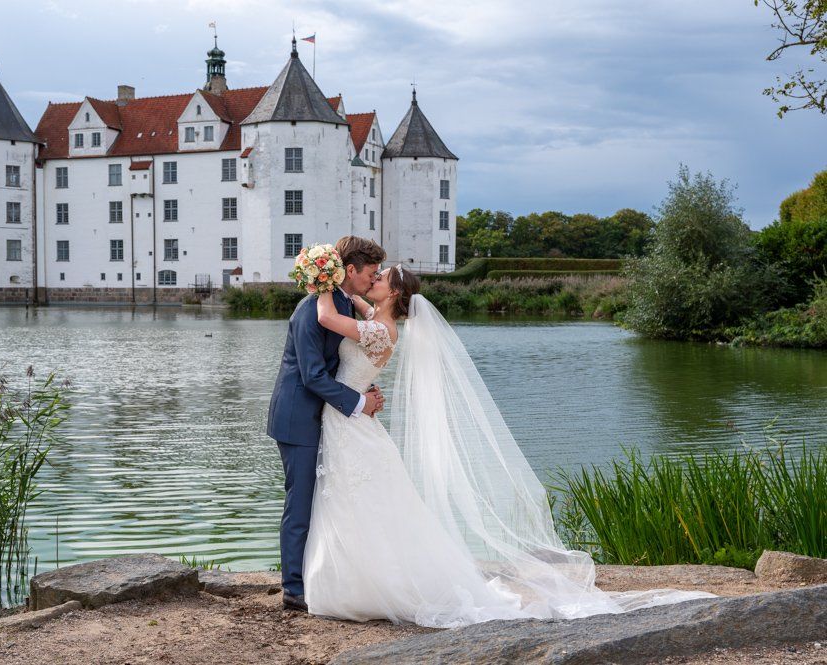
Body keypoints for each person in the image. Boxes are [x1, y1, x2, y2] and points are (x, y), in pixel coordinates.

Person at [302, 263, 717, 628]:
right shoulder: (376, 318)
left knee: (360, 501)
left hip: (352, 421)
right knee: (361, 502)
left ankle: (363, 587)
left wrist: (321, 275)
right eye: (372, 274)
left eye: (382, 277)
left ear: (393, 292)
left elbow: (325, 316)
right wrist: (347, 288)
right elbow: (356, 305)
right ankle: (358, 581)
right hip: (350, 418)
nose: (373, 279)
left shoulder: (378, 329)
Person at [266, 236, 387, 612]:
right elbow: (313, 376)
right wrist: (358, 403)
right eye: (370, 273)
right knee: (300, 504)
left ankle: (317, 576)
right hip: (297, 418)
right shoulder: (310, 311)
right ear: (350, 271)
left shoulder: (342, 303)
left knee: (323, 501)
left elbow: (341, 360)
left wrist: (362, 388)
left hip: (324, 417)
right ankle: (294, 590)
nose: (374, 278)